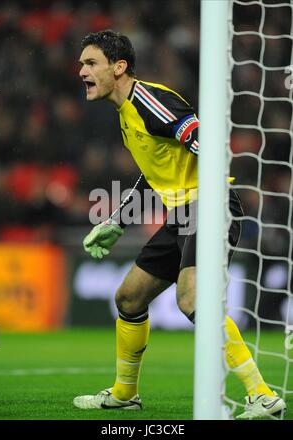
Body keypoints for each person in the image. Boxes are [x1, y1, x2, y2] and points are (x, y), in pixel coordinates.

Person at [73, 30, 286, 419]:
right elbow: (156, 172)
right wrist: (118, 220)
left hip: (210, 205)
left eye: (90, 63)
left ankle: (262, 395)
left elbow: (202, 138)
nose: (81, 71)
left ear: (118, 67)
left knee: (191, 299)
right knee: (129, 298)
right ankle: (124, 393)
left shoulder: (150, 100)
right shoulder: (126, 114)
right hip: (184, 214)